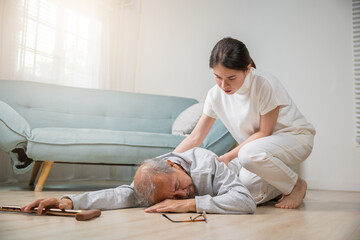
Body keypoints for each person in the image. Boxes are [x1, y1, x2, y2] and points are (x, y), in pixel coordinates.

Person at [174, 37, 315, 209]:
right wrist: (165, 163)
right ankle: (279, 185)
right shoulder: (215, 95)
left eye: (231, 78)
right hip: (256, 151)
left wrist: (228, 156)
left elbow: (264, 132)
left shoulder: (264, 84)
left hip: (294, 139)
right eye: (217, 77)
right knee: (244, 191)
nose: (224, 85)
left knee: (247, 158)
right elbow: (196, 136)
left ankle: (296, 185)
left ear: (247, 69)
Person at [21, 148, 256, 215]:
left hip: (251, 178)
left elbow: (245, 201)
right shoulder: (154, 181)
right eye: (170, 198)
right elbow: (120, 194)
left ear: (174, 166)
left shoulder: (206, 162)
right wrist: (68, 200)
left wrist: (190, 205)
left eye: (176, 187)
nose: (182, 195)